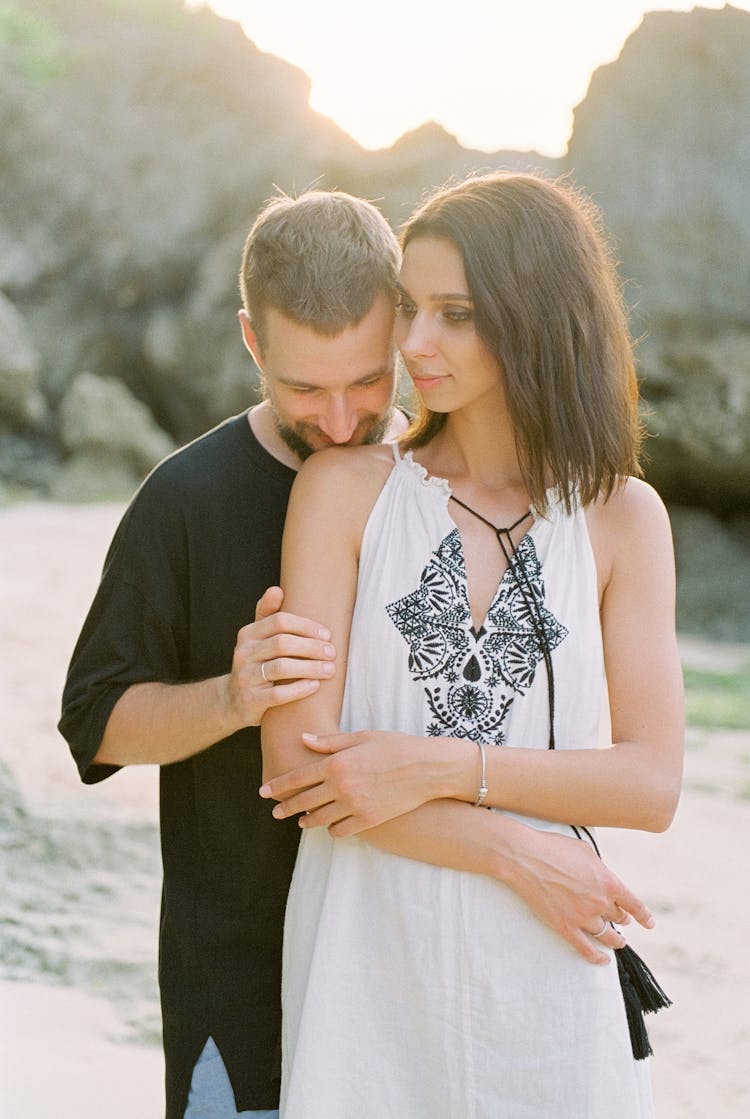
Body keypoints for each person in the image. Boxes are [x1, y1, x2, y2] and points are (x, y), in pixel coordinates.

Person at [60, 186, 656, 1119]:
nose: (341, 419)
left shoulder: (606, 515)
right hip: (264, 954)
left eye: (371, 379)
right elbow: (95, 723)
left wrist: (449, 786)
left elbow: (648, 777)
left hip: (520, 972)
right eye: (306, 389)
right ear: (252, 343)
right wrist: (231, 696)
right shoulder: (202, 499)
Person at [261, 173, 684, 1118]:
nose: (413, 343)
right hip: (367, 974)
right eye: (410, 307)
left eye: (455, 313)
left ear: (536, 314)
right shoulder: (346, 490)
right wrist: (510, 847)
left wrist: (424, 766)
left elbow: (650, 783)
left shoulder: (621, 517)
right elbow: (299, 769)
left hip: (553, 975)